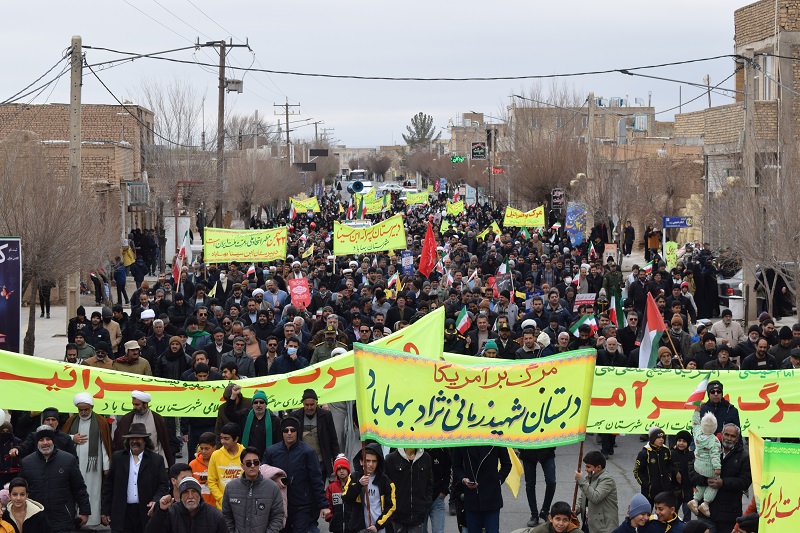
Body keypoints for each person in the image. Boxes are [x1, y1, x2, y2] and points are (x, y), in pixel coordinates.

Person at [19, 424, 91, 531]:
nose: (45, 443)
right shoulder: (26, 463)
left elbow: (79, 488)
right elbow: (20, 490)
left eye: (48, 439)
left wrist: (85, 511)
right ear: (37, 442)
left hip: (63, 519)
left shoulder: (68, 460)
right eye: (41, 440)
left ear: (53, 441)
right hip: (35, 519)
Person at [263, 417, 329, 533]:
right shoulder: (271, 452)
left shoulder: (308, 452)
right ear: (282, 432)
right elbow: (262, 472)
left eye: (292, 430)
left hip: (302, 505)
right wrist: (275, 477)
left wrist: (323, 505)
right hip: (279, 505)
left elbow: (316, 480)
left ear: (297, 432)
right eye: (286, 430)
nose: (289, 433)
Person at [102, 422, 169, 532]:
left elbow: (163, 485)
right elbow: (108, 485)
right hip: (122, 513)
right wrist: (105, 511)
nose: (134, 441)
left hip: (145, 513)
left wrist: (155, 500)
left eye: (138, 438)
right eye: (131, 438)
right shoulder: (118, 457)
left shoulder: (156, 460)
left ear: (145, 441)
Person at [61, 393, 113, 529]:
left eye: (86, 409)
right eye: (81, 410)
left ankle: (92, 520)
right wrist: (72, 438)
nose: (84, 412)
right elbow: (61, 438)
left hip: (94, 466)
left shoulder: (100, 421)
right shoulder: (71, 421)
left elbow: (104, 444)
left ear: (91, 407)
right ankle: (77, 519)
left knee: (93, 491)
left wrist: (106, 466)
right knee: (75, 489)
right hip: (75, 464)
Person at [689, 423, 751, 533]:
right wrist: (705, 480)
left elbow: (745, 481)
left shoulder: (744, 456)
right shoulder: (708, 447)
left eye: (733, 436)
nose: (729, 438)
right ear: (721, 434)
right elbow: (692, 471)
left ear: (737, 439)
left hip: (729, 514)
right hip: (706, 513)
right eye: (726, 434)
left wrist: (723, 482)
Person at [221, 446, 285, 533]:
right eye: (248, 463)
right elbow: (226, 516)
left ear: (259, 464)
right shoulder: (230, 487)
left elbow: (277, 516)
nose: (252, 466)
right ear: (242, 466)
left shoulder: (272, 488)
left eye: (256, 462)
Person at [452, 445, 511, 533]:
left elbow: (507, 464)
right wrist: (463, 479)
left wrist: (498, 481)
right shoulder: (463, 441)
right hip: (471, 497)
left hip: (491, 496)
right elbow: (456, 466)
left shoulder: (495, 440)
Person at [341, 442, 396, 533]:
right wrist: (359, 485)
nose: (371, 464)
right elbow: (346, 498)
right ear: (361, 462)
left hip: (380, 529)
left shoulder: (385, 481)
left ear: (378, 463)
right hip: (360, 528)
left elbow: (391, 507)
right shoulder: (354, 477)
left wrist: (377, 526)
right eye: (367, 461)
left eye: (374, 461)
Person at [288, 388, 340, 481]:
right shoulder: (294, 416)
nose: (309, 408)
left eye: (312, 405)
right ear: (303, 404)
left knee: (319, 486)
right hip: (301, 461)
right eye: (306, 405)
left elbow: (333, 439)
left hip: (321, 461)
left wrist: (337, 459)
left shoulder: (326, 415)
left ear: (317, 403)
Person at [144, 475, 227, 533]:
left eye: (194, 491)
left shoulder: (215, 515)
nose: (190, 496)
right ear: (180, 496)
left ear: (199, 494)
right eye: (186, 492)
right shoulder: (171, 512)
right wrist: (161, 511)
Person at [113, 390, 174, 467]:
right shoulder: (126, 419)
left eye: (137, 405)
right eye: (133, 404)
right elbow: (119, 441)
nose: (134, 407)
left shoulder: (157, 420)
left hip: (152, 462)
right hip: (132, 461)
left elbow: (162, 444)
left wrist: (165, 465)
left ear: (145, 404)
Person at [384, 447, 433, 533]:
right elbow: (385, 485)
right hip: (397, 516)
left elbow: (429, 483)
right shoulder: (391, 458)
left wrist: (426, 503)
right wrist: (391, 505)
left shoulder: (426, 457)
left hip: (418, 515)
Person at [224, 387, 281, 458]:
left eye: (261, 402)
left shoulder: (275, 421)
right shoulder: (244, 415)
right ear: (252, 404)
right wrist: (233, 395)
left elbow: (279, 442)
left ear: (266, 404)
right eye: (255, 402)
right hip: (247, 458)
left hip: (267, 458)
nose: (258, 405)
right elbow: (229, 413)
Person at [686, 407, 721, 518]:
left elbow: (695, 424)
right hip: (709, 467)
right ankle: (705, 504)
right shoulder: (714, 440)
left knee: (701, 484)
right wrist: (717, 468)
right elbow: (715, 455)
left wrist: (697, 411)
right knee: (714, 483)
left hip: (697, 466)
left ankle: (695, 500)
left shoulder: (697, 433)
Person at [575, 450, 618, 533]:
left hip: (603, 529)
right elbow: (583, 499)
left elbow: (595, 497)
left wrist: (581, 480)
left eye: (588, 467)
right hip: (589, 526)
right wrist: (575, 509)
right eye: (585, 466)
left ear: (598, 467)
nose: (585, 469)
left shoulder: (607, 480)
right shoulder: (589, 478)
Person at [10, 407, 77, 459]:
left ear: (57, 422)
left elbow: (73, 459)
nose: (50, 422)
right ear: (43, 422)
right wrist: (17, 449)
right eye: (48, 420)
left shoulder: (65, 438)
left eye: (53, 420)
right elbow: (25, 447)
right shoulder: (34, 436)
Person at [206, 422, 244, 510]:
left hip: (242, 507)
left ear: (236, 439)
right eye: (221, 438)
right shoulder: (216, 455)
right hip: (222, 508)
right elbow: (211, 481)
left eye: (226, 439)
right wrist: (221, 499)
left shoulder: (245, 454)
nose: (223, 441)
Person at [634, 426, 674, 505]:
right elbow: (637, 472)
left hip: (664, 490)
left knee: (663, 511)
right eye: (658, 437)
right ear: (652, 438)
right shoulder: (644, 453)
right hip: (649, 492)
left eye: (663, 437)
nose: (661, 440)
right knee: (647, 511)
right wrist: (647, 485)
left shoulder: (666, 450)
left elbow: (670, 465)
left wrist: (669, 477)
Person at [520, 446, 557, 527]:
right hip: (527, 450)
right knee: (530, 484)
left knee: (551, 482)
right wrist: (521, 448)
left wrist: (552, 446)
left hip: (546, 449)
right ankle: (534, 515)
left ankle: (545, 511)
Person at [189, 431, 217, 507]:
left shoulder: (219, 464)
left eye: (207, 449)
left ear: (214, 448)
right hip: (198, 506)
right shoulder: (193, 464)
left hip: (216, 506)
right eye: (201, 448)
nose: (203, 451)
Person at [671, 430, 694, 522]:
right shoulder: (672, 454)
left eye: (684, 441)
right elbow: (668, 467)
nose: (681, 443)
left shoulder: (691, 455)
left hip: (688, 487)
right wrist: (675, 472)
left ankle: (686, 526)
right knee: (674, 510)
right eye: (679, 440)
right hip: (675, 487)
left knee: (687, 511)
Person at [325, 454, 351, 533]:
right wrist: (330, 518)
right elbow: (328, 504)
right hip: (336, 527)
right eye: (339, 469)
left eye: (344, 468)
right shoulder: (331, 487)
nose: (341, 471)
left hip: (352, 526)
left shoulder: (353, 485)